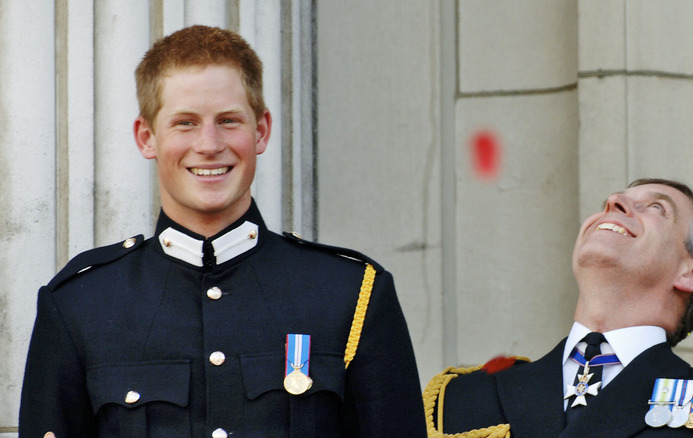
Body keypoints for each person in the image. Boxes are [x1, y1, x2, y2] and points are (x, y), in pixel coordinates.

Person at [19, 25, 426, 438]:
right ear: (147, 137)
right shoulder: (79, 305)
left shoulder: (350, 294)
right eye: (185, 123)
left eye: (229, 120)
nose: (209, 144)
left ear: (261, 131)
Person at [426, 178, 693, 437]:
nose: (613, 201)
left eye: (657, 208)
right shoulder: (461, 396)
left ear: (691, 273)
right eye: (615, 200)